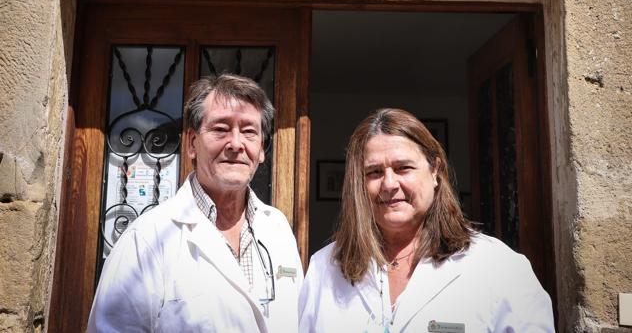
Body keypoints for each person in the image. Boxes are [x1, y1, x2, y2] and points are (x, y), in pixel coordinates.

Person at [299, 108, 554, 333]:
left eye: (403, 168)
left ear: (435, 171)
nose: (389, 184)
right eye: (374, 172)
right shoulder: (325, 268)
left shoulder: (498, 267)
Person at [88, 74, 303, 332]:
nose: (236, 144)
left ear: (261, 151)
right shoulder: (145, 240)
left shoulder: (278, 228)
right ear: (192, 143)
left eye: (249, 132)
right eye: (221, 129)